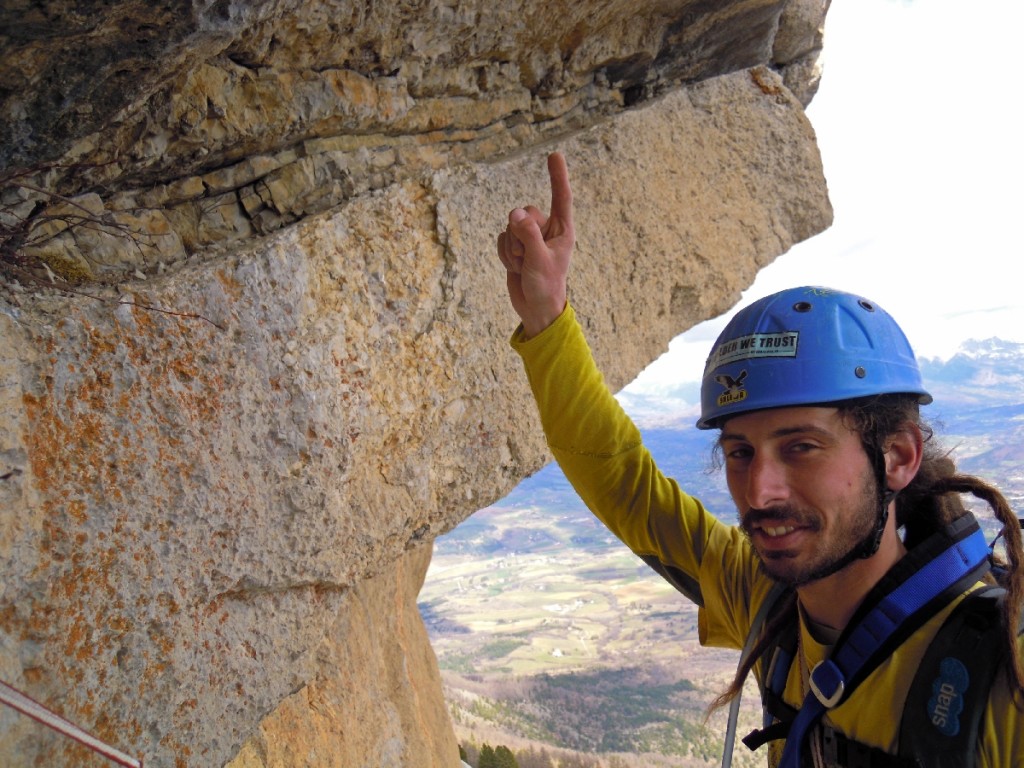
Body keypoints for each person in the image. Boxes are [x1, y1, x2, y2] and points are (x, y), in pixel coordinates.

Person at [496, 152, 1024, 767]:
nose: (760, 489)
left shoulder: (1001, 671)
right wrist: (546, 318)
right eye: (739, 451)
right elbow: (622, 484)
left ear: (899, 456)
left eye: (801, 447)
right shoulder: (768, 602)